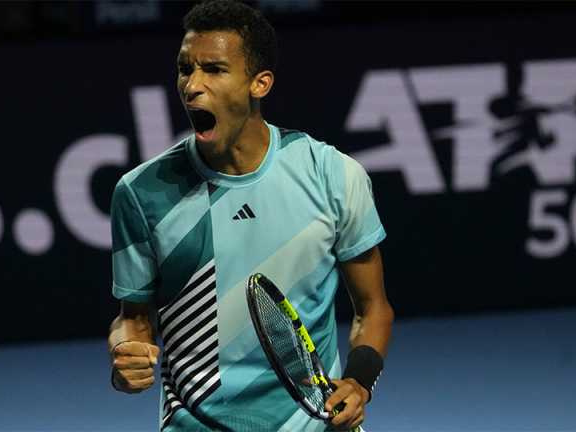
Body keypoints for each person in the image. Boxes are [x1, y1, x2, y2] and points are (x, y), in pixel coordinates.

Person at [107, 1, 393, 430]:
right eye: (185, 69)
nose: (191, 86)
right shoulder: (140, 192)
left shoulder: (332, 174)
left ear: (259, 83)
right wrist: (125, 355)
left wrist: (358, 382)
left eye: (214, 70)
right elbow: (134, 319)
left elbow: (372, 308)